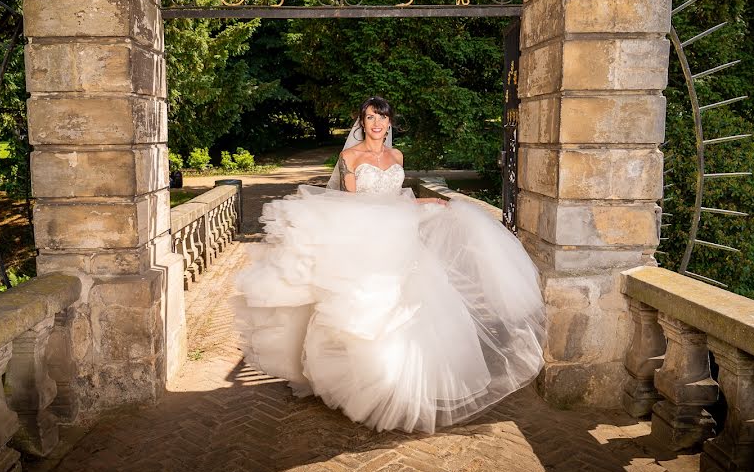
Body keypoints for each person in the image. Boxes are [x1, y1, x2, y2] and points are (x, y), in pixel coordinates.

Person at [233, 97, 546, 434]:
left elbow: (396, 198)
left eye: (382, 117)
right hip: (368, 244)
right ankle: (365, 386)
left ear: (390, 123)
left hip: (400, 243)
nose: (377, 124)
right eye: (370, 117)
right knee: (366, 314)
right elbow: (350, 208)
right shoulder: (349, 157)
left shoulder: (397, 156)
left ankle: (400, 386)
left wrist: (430, 201)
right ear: (362, 123)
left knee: (409, 313)